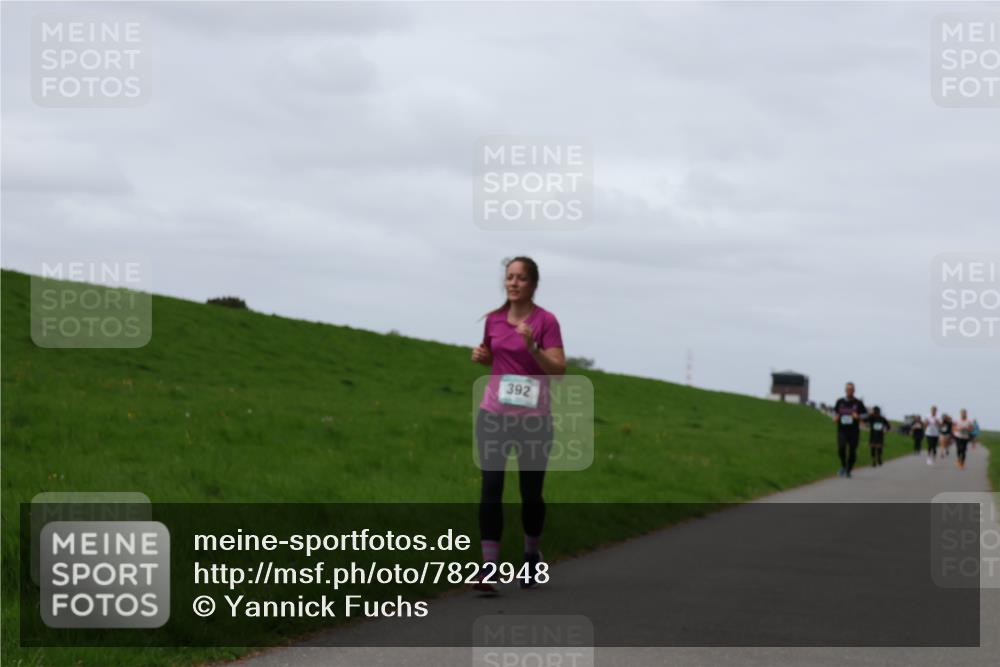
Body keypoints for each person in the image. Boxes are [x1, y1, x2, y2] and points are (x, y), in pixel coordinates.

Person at [470, 256, 565, 592]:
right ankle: (489, 568)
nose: (513, 283)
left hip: (534, 420)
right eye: (509, 277)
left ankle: (530, 557)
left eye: (521, 278)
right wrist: (484, 359)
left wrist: (533, 347)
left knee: (530, 495)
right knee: (491, 489)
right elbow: (497, 358)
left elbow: (558, 369)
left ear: (533, 284)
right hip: (494, 415)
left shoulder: (546, 321)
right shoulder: (494, 320)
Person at [833, 382, 867, 478]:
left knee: (852, 451)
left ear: (854, 391)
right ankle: (844, 466)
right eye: (848, 389)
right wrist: (835, 417)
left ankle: (849, 470)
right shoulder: (840, 401)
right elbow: (835, 412)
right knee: (841, 448)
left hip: (854, 431)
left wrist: (858, 416)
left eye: (851, 389)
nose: (849, 391)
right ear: (845, 390)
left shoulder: (858, 403)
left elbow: (865, 415)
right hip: (842, 430)